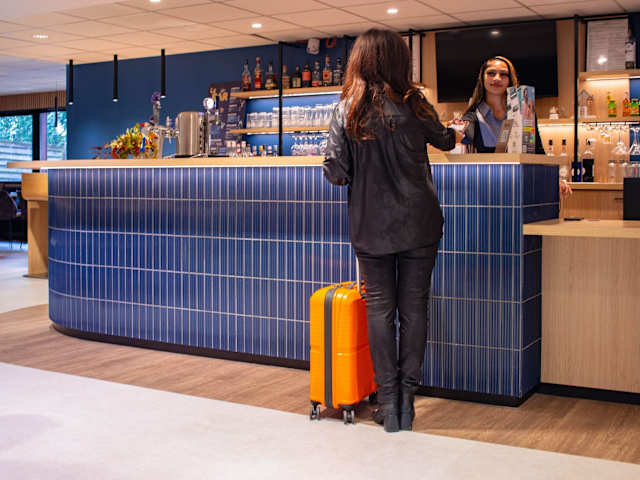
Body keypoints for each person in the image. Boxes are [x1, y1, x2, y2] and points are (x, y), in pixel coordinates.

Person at [323, 29, 463, 433]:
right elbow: (446, 140)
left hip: (371, 227)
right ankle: (406, 402)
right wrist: (456, 131)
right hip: (420, 222)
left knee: (380, 311)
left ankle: (387, 404)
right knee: (415, 309)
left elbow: (336, 172)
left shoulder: (347, 108)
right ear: (401, 61)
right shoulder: (415, 103)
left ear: (359, 61)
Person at [459, 55, 571, 196]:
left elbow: (537, 151)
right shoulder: (473, 115)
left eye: (503, 74)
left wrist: (555, 179)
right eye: (491, 73)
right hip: (486, 189)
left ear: (510, 79)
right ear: (482, 78)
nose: (497, 78)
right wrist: (456, 132)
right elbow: (462, 135)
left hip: (522, 187)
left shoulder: (525, 112)